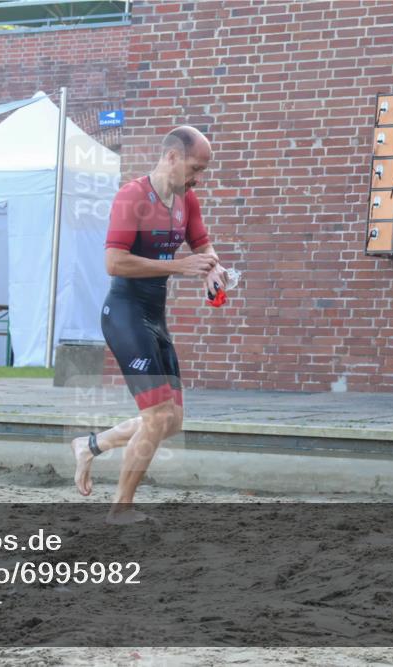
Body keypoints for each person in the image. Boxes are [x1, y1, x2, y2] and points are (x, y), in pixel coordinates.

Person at [70, 126, 228, 524]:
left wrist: (214, 269)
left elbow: (202, 246)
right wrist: (180, 266)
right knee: (157, 418)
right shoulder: (132, 197)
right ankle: (120, 510)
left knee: (170, 421)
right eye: (195, 167)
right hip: (124, 313)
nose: (198, 178)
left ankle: (90, 445)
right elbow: (114, 262)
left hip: (155, 317)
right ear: (172, 157)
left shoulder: (186, 200)